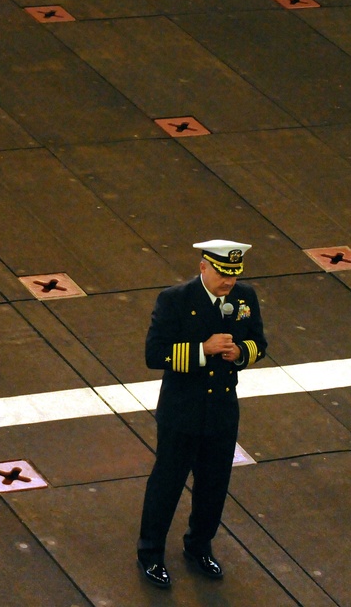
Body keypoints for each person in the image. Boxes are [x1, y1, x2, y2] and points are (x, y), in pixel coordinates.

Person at [136, 240, 267, 589]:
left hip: (223, 409)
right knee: (167, 484)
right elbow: (154, 354)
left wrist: (240, 352)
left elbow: (259, 344)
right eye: (223, 274)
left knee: (214, 486)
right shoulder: (175, 300)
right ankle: (150, 553)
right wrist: (203, 350)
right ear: (203, 266)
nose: (229, 282)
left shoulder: (244, 298)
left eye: (234, 275)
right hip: (182, 409)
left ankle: (199, 546)